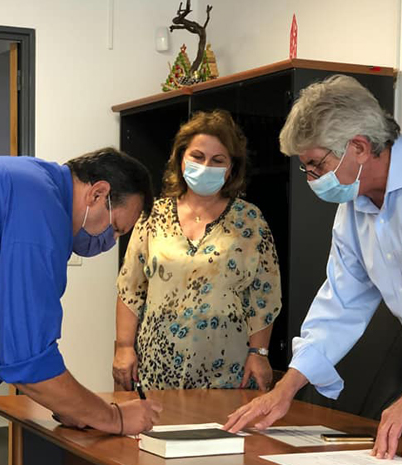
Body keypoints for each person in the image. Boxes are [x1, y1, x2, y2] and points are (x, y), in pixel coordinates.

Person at [223, 75, 402, 458]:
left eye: (315, 165)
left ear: (359, 147)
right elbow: (340, 304)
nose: (311, 179)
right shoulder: (354, 208)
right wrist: (286, 388)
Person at [0, 148, 162, 465]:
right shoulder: (39, 212)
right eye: (115, 228)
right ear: (98, 193)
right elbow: (27, 363)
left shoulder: (30, 186)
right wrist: (115, 418)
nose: (110, 241)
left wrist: (75, 406)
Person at [113, 110, 282, 393]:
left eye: (218, 160)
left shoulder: (250, 220)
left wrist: (259, 353)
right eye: (198, 156)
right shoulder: (153, 215)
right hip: (156, 366)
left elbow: (264, 295)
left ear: (231, 168)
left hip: (228, 370)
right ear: (181, 159)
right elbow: (130, 288)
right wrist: (124, 347)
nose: (206, 166)